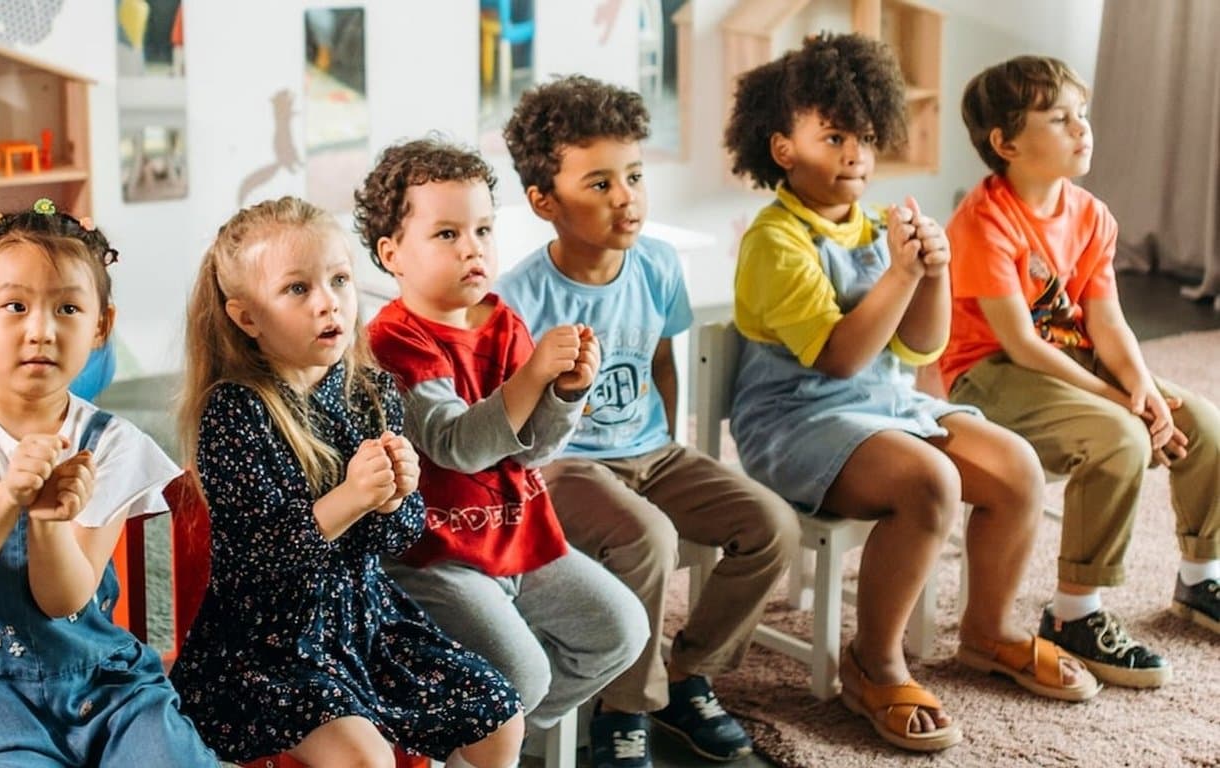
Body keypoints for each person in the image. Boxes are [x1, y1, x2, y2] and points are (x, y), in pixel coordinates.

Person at [722, 34, 1101, 752]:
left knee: (1016, 467)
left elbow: (919, 348)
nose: (854, 154)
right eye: (832, 137)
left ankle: (988, 633)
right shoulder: (774, 241)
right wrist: (899, 274)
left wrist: (933, 271)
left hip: (884, 404)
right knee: (929, 482)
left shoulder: (872, 227)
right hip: (795, 420)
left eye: (863, 137)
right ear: (781, 149)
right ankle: (873, 663)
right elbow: (840, 359)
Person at [496, 75, 800, 768]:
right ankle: (622, 710)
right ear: (545, 201)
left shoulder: (658, 265)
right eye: (598, 184)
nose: (626, 197)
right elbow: (515, 419)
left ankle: (690, 675)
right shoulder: (519, 297)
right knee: (648, 537)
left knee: (771, 527)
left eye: (633, 175)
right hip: (565, 465)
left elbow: (662, 361)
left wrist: (676, 444)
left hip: (653, 452)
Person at [0, 198, 219, 767]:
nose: (41, 331)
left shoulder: (109, 443)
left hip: (101, 688)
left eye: (68, 308)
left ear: (101, 326)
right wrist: (8, 496)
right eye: (16, 306)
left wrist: (49, 521)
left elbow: (65, 599)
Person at [168, 196, 524, 768]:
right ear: (247, 316)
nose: (328, 303)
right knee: (366, 759)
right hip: (267, 646)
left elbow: (397, 537)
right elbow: (262, 556)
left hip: (368, 620)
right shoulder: (236, 412)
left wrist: (399, 496)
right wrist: (352, 497)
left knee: (500, 715)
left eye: (339, 280)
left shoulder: (371, 391)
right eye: (297, 289)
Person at [942, 55, 1220, 686]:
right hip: (990, 373)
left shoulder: (1092, 216)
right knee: (1119, 440)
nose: (1082, 128)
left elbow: (1109, 323)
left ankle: (1201, 579)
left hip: (1070, 360)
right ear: (1006, 143)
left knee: (1199, 420)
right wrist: (1119, 405)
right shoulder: (984, 221)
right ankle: (1075, 614)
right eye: (1060, 118)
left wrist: (1144, 389)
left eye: (1082, 114)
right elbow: (1019, 343)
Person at [357, 137, 649, 735]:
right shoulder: (394, 340)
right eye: (447, 234)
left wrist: (567, 392)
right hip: (437, 558)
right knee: (525, 674)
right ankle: (493, 727)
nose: (473, 249)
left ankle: (496, 733)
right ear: (393, 255)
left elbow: (535, 448)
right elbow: (457, 444)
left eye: (484, 230)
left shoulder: (503, 320)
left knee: (624, 629)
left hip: (521, 536)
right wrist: (536, 374)